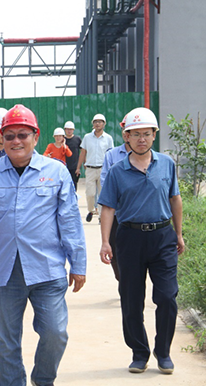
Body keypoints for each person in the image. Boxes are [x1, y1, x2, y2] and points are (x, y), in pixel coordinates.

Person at [0, 104, 87, 386]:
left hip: (47, 270)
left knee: (55, 333)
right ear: (1, 138)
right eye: (9, 136)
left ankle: (43, 380)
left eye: (23, 135)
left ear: (36, 136)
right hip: (4, 273)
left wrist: (78, 264)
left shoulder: (56, 172)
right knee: (6, 343)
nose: (16, 141)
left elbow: (70, 221)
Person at [99, 107, 185, 375]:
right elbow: (108, 208)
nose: (141, 139)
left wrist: (179, 234)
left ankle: (164, 352)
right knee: (131, 298)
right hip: (130, 238)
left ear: (154, 135)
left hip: (162, 236)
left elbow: (175, 199)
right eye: (135, 134)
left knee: (168, 296)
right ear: (126, 137)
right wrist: (105, 242)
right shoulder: (116, 170)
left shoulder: (167, 164)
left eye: (146, 134)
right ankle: (139, 352)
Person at [98, 115, 131, 281]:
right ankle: (122, 280)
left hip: (136, 216)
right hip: (117, 213)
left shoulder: (152, 158)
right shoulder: (112, 155)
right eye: (126, 130)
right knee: (115, 252)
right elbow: (105, 179)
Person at [76, 113, 114, 222]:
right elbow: (83, 153)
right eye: (95, 122)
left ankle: (102, 216)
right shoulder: (87, 137)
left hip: (103, 169)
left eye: (100, 122)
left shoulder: (108, 138)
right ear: (93, 124)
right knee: (90, 193)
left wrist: (111, 168)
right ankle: (91, 210)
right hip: (90, 169)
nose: (98, 124)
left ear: (104, 124)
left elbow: (110, 154)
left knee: (103, 194)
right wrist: (78, 167)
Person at [64, 121, 82, 190]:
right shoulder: (62, 140)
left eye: (71, 129)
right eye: (67, 129)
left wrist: (81, 165)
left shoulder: (77, 139)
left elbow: (82, 152)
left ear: (73, 130)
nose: (69, 131)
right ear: (65, 130)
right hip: (64, 166)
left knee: (74, 185)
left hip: (74, 167)